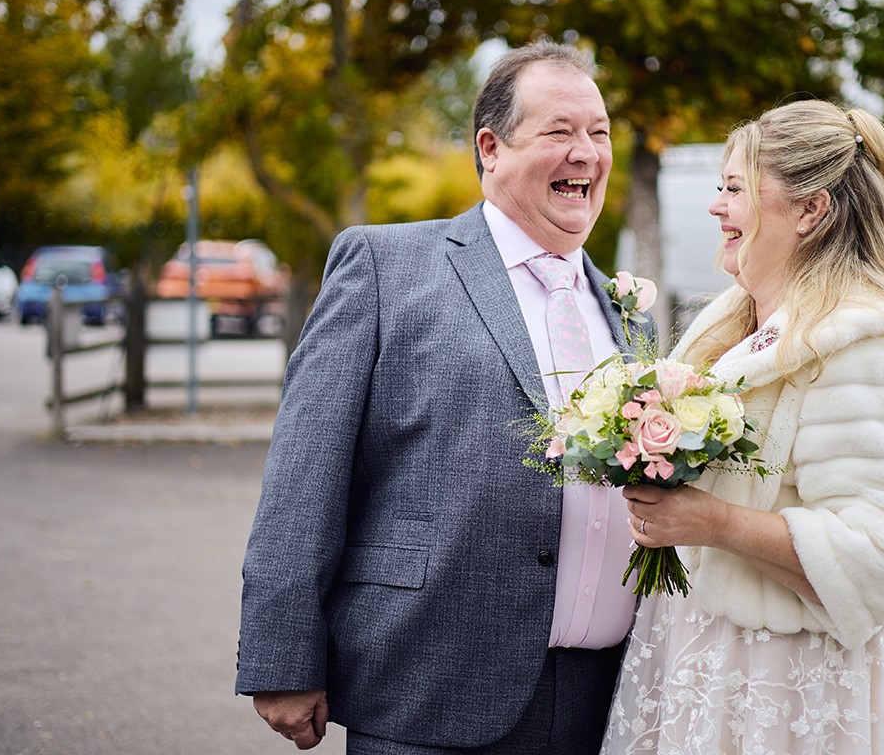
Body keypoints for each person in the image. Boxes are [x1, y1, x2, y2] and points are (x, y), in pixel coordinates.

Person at [237, 41, 652, 755]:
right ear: (490, 148)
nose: (586, 152)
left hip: (606, 700)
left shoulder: (626, 309)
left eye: (600, 132)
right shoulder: (384, 266)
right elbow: (305, 474)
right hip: (430, 685)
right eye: (559, 132)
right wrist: (281, 658)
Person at [601, 99, 884, 755]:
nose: (717, 206)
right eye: (720, 187)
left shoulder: (860, 351)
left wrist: (711, 522)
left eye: (736, 189)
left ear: (810, 210)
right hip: (696, 655)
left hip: (777, 687)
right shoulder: (730, 327)